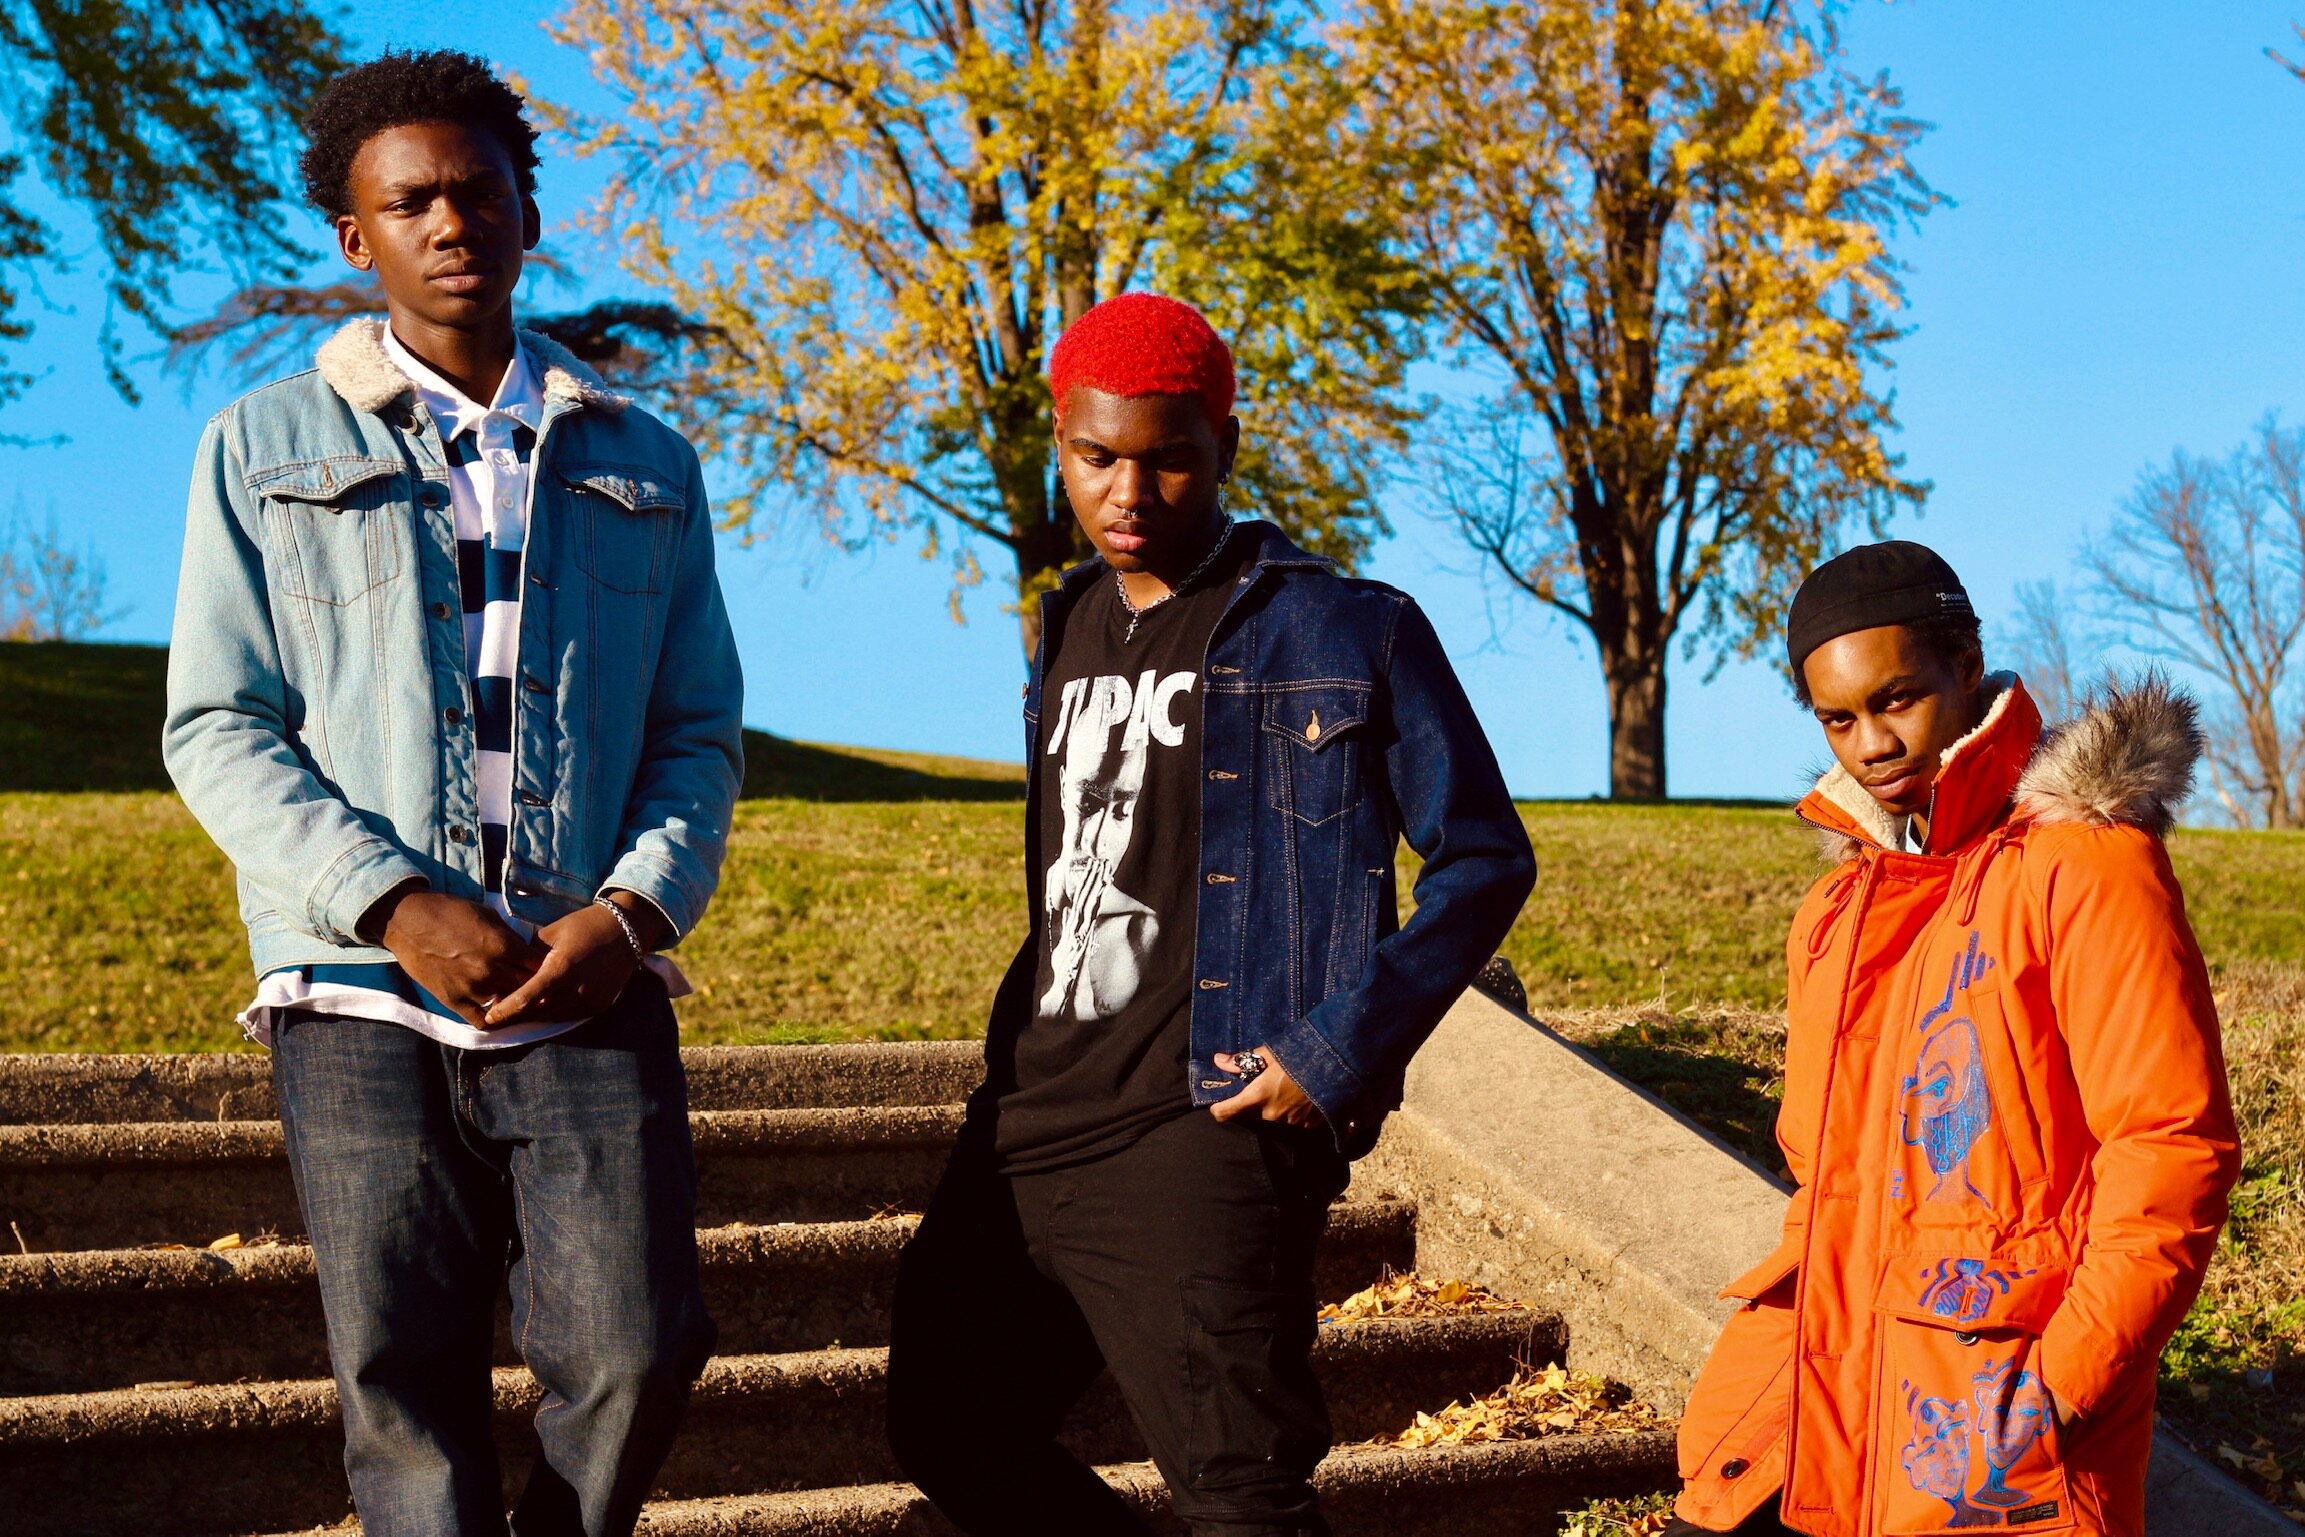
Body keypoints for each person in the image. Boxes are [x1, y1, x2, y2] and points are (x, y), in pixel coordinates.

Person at [162, 50, 742, 1537]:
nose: (449, 221)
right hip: (355, 988)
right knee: (402, 1385)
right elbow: (218, 724)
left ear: (528, 211)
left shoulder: (645, 461)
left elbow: (698, 732)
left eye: (478, 192)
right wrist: (396, 900)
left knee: (638, 1341)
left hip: (584, 976)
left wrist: (632, 909)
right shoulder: (258, 447)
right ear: (356, 240)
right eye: (408, 200)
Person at [883, 292, 1536, 1536]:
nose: (1129, 491)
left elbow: (1484, 860)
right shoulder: (1066, 619)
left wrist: (1333, 1049)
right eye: (1096, 458)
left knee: (1237, 1492)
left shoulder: (1344, 628)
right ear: (1062, 447)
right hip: (1031, 1118)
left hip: (1202, 1117)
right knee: (947, 1424)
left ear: (1223, 450)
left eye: (1167, 457)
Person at [1666, 542, 2239, 1537]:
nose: (1870, 743)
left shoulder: (2086, 864)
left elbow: (2170, 1151)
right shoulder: (1835, 910)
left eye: (1896, 698)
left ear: (1966, 666)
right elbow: (1823, 1179)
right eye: (1837, 718)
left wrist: (2052, 1393)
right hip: (1813, 1402)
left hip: (1988, 1424)